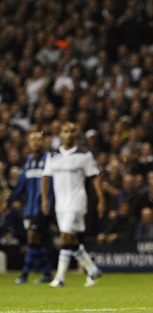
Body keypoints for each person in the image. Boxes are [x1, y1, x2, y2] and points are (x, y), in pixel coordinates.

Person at [41, 122, 106, 287]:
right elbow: (46, 177)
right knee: (70, 238)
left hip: (77, 201)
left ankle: (60, 277)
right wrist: (44, 199)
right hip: (60, 204)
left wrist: (101, 199)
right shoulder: (52, 156)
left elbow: (95, 177)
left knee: (65, 235)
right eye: (65, 131)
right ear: (60, 134)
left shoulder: (85, 155)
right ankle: (92, 270)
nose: (68, 134)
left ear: (76, 134)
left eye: (71, 131)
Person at [5, 132, 54, 284]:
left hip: (41, 206)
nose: (36, 142)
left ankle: (24, 274)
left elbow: (52, 184)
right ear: (28, 143)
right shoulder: (28, 161)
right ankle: (47, 274)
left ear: (43, 142)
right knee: (34, 241)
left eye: (38, 139)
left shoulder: (49, 159)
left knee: (32, 237)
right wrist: (8, 201)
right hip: (29, 208)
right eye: (32, 140)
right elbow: (20, 186)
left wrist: (50, 203)